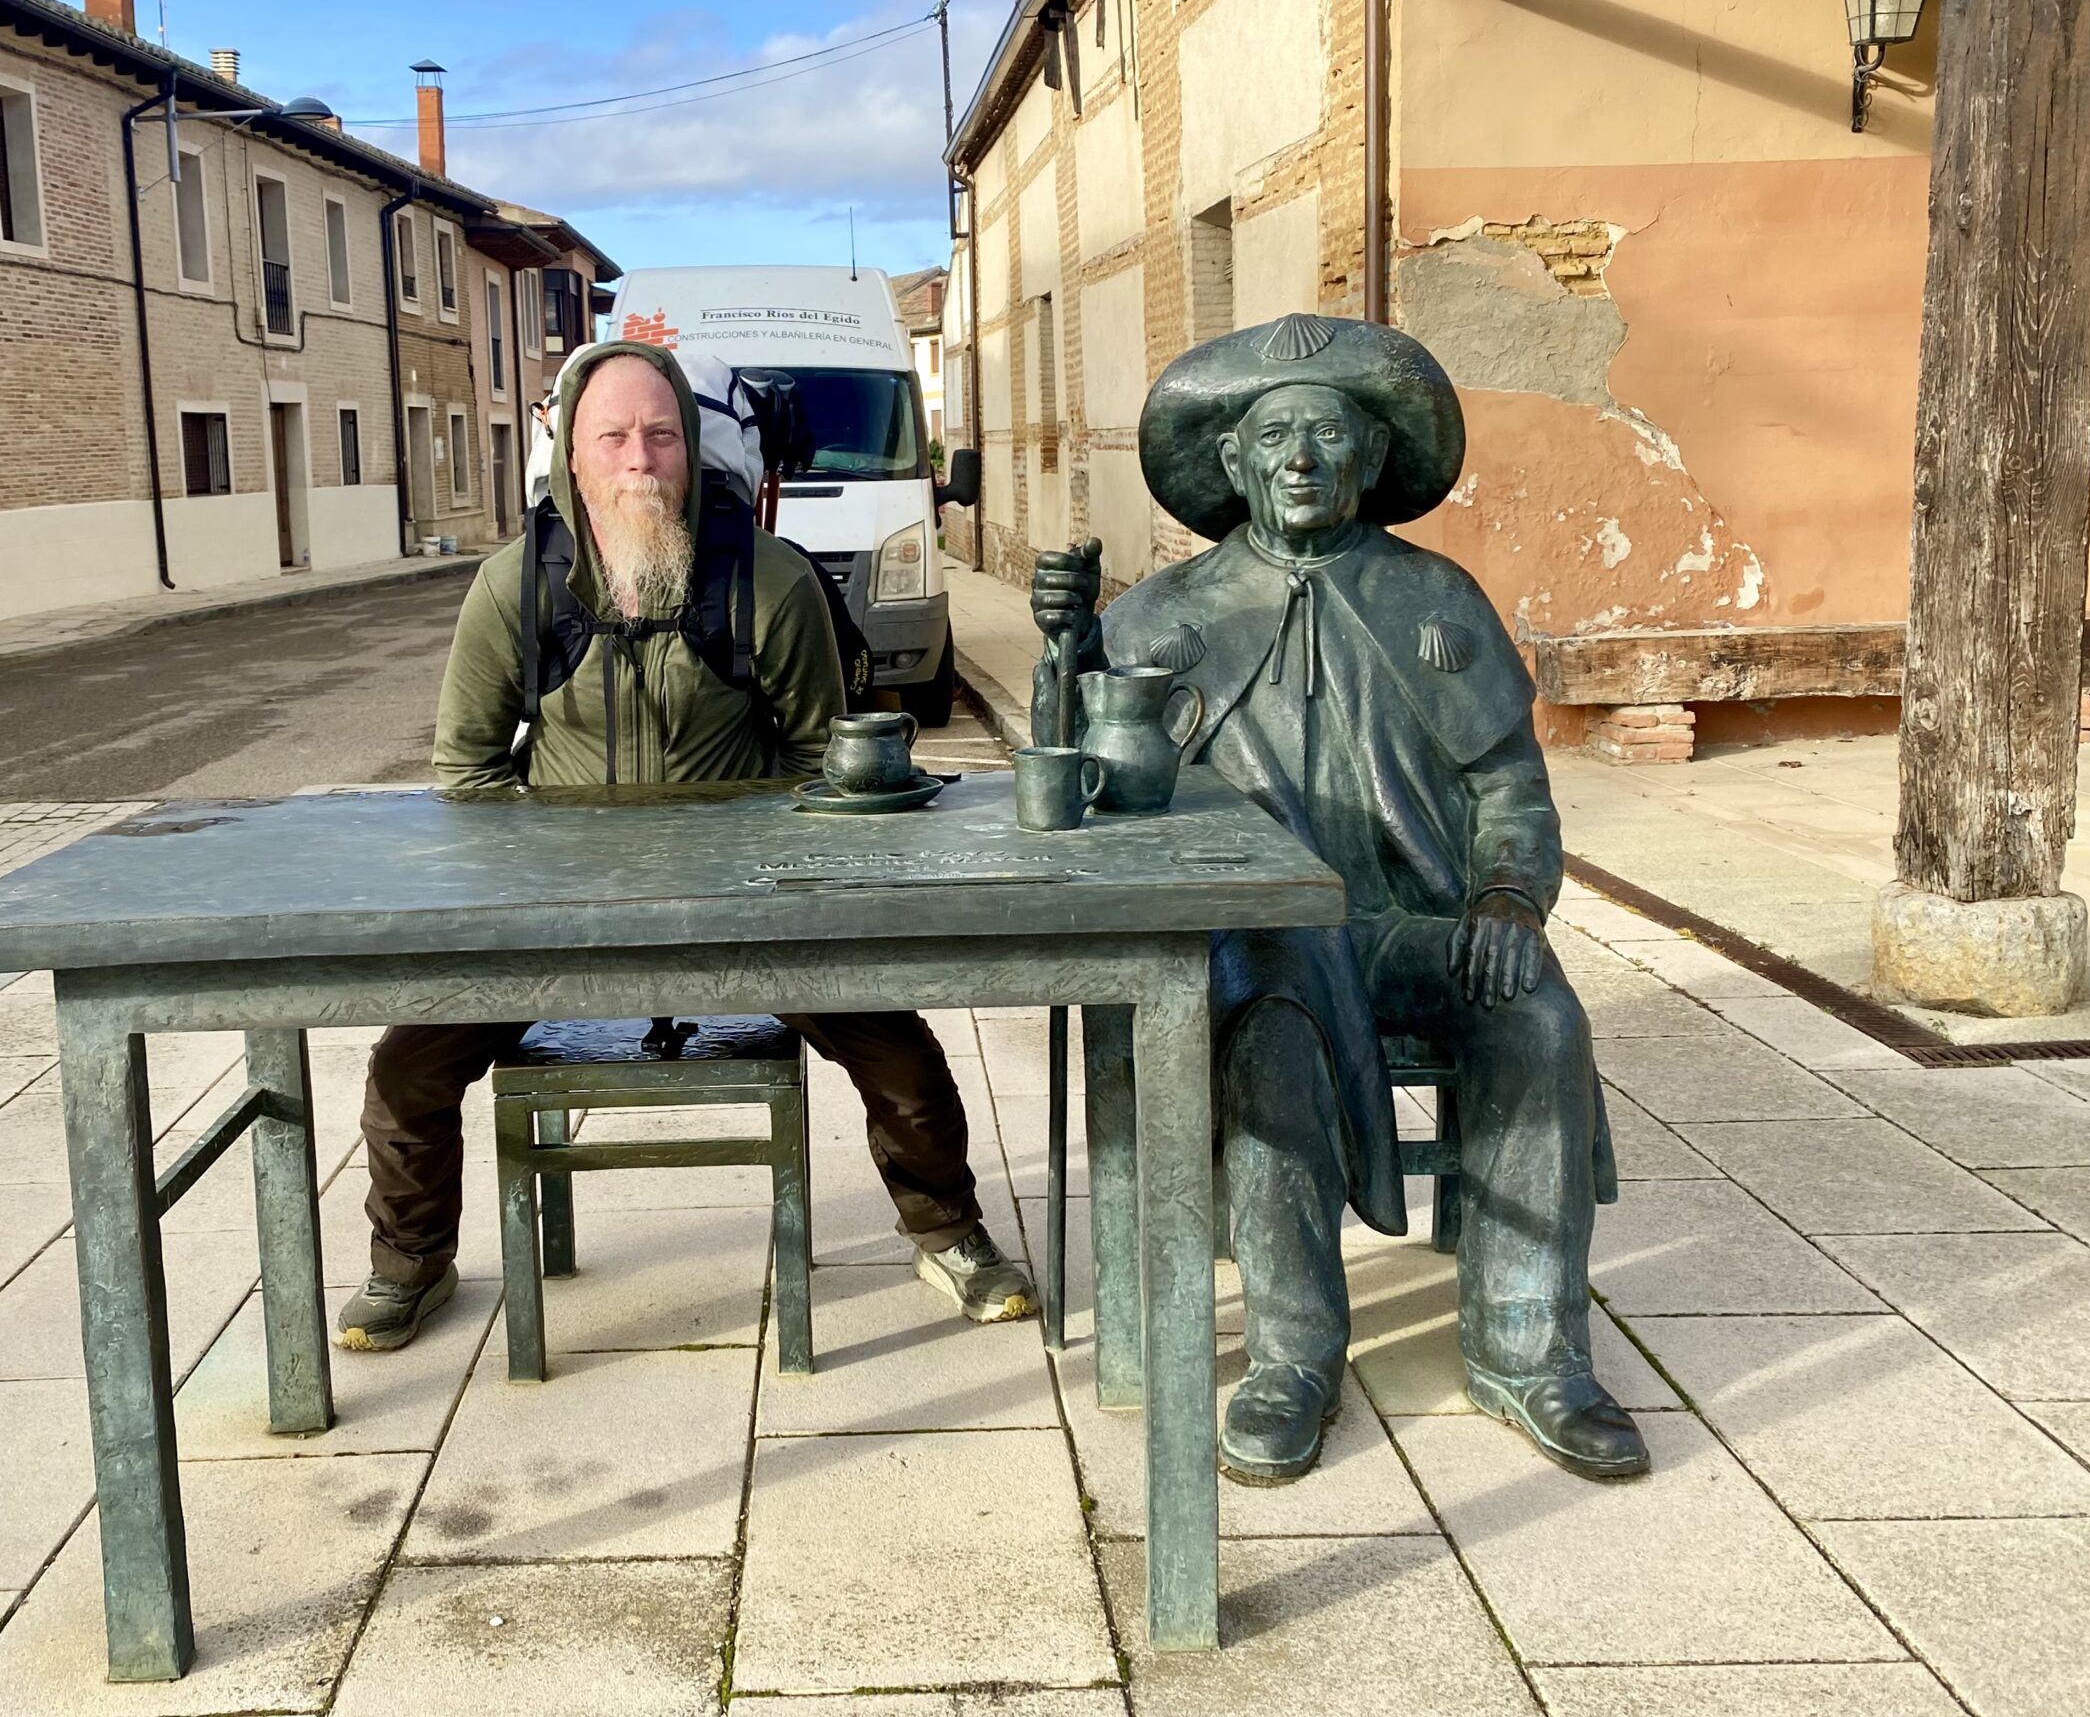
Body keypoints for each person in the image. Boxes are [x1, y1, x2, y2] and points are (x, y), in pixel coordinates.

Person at [1031, 313, 1647, 1486]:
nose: (1302, 459)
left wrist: (1506, 899)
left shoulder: (1438, 600)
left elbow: (1511, 793)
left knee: (1537, 1016)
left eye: (1327, 434)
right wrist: (1065, 657)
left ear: (1370, 458)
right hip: (1250, 944)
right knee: (1274, 1050)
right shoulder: (1161, 615)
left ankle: (1528, 1349)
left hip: (1409, 930)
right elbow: (1086, 790)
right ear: (1234, 462)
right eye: (1275, 438)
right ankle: (1294, 1356)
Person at [337, 338, 1034, 1350]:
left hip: (746, 899)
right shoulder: (511, 588)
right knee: (407, 1068)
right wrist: (545, 881)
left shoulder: (769, 580)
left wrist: (751, 868)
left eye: (661, 435)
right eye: (612, 436)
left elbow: (821, 759)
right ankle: (409, 1261)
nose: (639, 460)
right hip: (559, 908)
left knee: (897, 1049)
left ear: (691, 444)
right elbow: (470, 774)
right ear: (570, 455)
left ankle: (949, 1232)